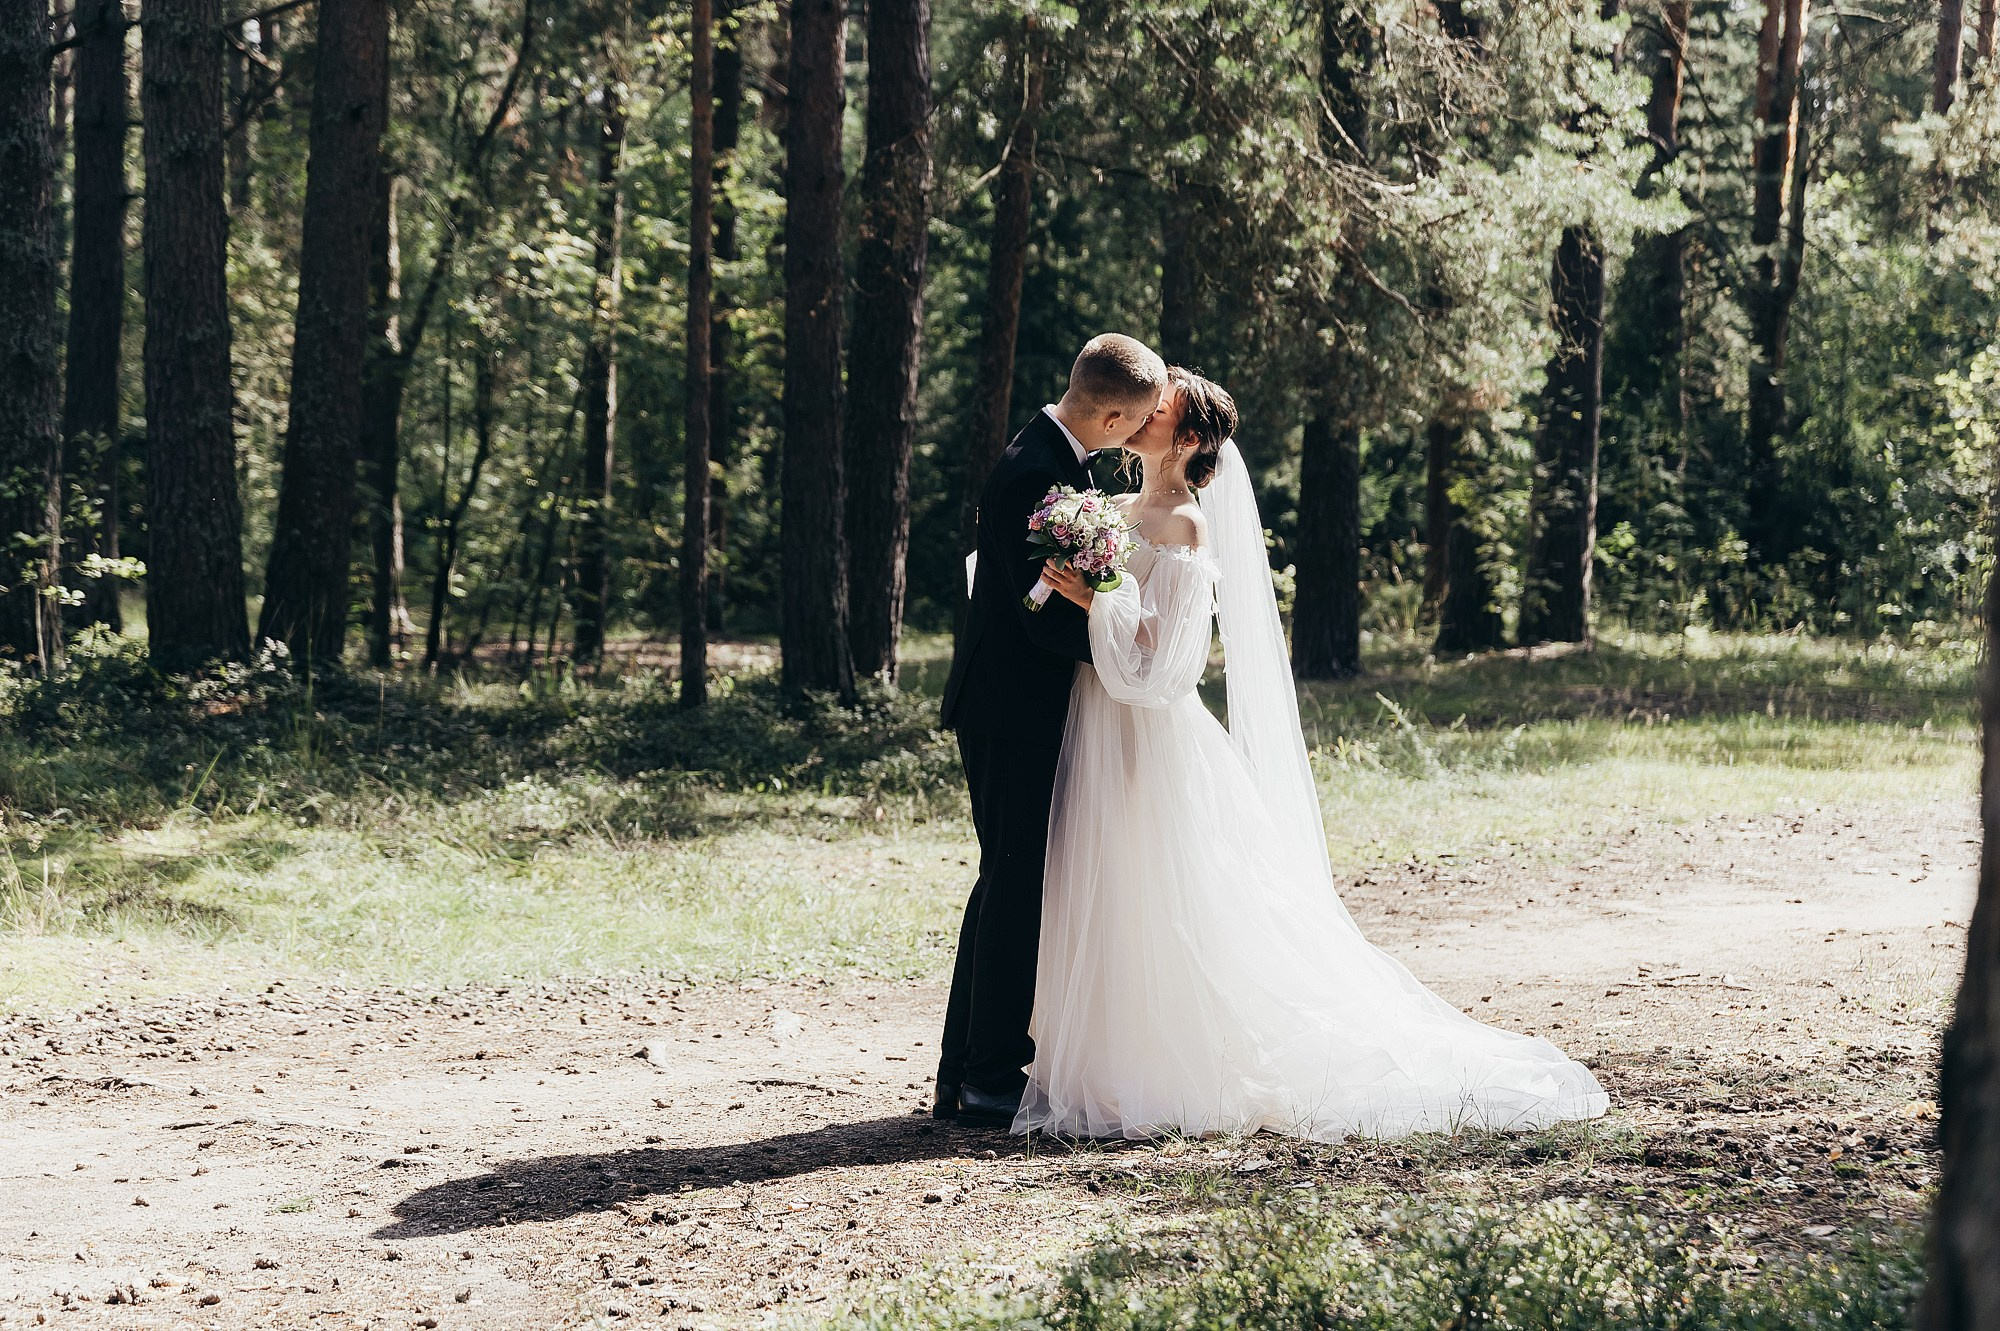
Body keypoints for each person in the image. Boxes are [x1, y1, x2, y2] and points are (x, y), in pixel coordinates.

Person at [1022, 367, 1609, 1141]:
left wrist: (1099, 598)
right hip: (1093, 724)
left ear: (1188, 436)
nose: (1138, 416)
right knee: (1100, 884)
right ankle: (1097, 1063)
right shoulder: (1118, 509)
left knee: (1156, 890)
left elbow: (1166, 669)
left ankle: (1166, 1067)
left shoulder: (1185, 527)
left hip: (1150, 739)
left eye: (1155, 409)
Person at [935, 333, 1168, 1128]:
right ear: (1107, 415)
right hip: (1010, 709)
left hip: (1018, 706)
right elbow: (1039, 612)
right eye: (1132, 427)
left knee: (1006, 881)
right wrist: (1123, 645)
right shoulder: (1038, 473)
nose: (1135, 440)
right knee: (1015, 887)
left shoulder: (1051, 460)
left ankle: (965, 1069)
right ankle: (989, 1075)